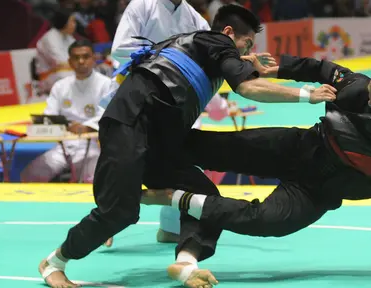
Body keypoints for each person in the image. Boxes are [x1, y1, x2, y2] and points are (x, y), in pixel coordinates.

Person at [38, 6, 336, 288]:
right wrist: (306, 94)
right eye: (247, 44)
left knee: (206, 198)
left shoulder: (206, 52)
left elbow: (234, 79)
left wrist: (249, 65)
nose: (247, 53)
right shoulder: (215, 41)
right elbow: (247, 88)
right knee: (120, 212)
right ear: (229, 33)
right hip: (130, 122)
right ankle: (54, 262)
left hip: (160, 139)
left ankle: (186, 263)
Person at [144, 54, 371, 286]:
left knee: (266, 220)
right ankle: (133, 152)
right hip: (298, 149)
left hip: (317, 193)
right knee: (212, 148)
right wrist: (268, 71)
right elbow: (318, 68)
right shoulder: (354, 85)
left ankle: (175, 198)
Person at [107, 0, 241, 244]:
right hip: (137, 97)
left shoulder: (195, 19)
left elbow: (207, 61)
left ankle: (170, 227)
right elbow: (120, 48)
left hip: (175, 103)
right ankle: (109, 218)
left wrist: (221, 102)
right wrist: (169, 58)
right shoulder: (142, 6)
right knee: (129, 162)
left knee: (178, 164)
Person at [21, 40, 112, 183]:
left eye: (85, 57)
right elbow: (49, 115)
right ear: (69, 61)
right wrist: (57, 125)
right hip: (63, 146)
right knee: (31, 174)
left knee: (91, 180)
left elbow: (107, 115)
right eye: (76, 58)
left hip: (92, 145)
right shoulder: (60, 86)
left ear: (94, 59)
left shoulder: (106, 84)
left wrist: (86, 127)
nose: (81, 61)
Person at [35, 9, 77, 96]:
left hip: (68, 71)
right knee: (72, 78)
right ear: (64, 22)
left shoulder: (69, 37)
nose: (74, 25)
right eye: (72, 21)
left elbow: (77, 56)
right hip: (50, 76)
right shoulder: (50, 38)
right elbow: (59, 62)